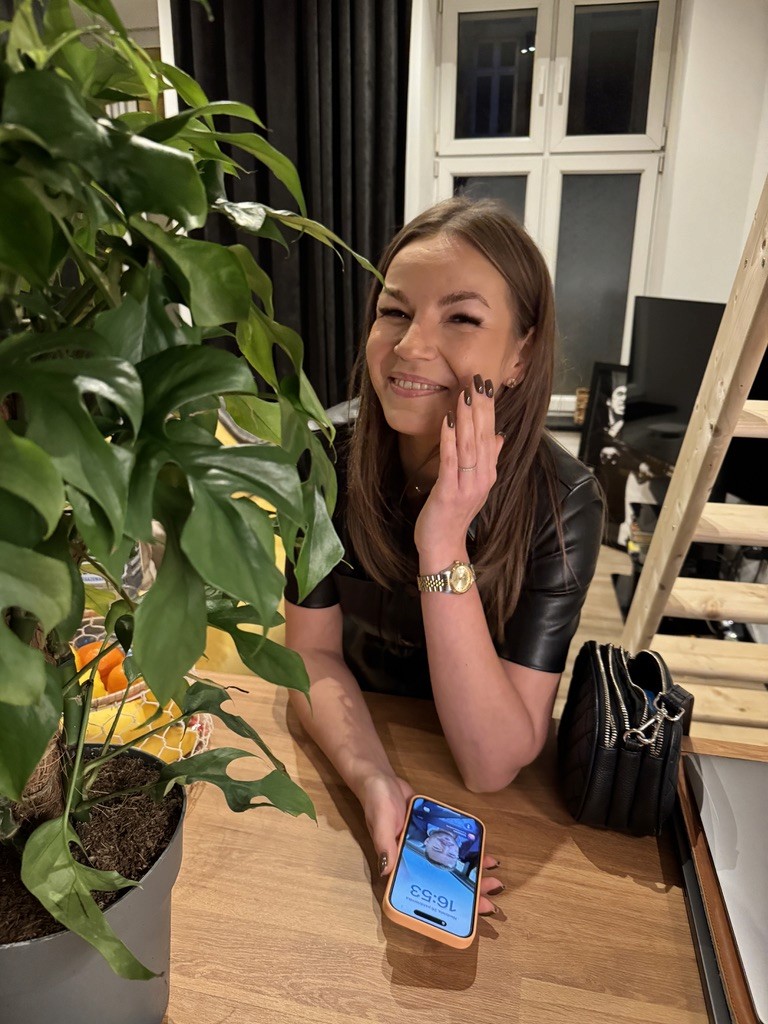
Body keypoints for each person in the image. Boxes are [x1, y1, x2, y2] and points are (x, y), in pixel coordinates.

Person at [284, 197, 603, 917]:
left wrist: (442, 539)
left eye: (460, 318)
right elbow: (307, 655)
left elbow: (492, 764)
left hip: (482, 795)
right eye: (394, 312)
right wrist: (372, 779)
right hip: (350, 735)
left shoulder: (565, 502)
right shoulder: (326, 460)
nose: (409, 346)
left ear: (520, 354)